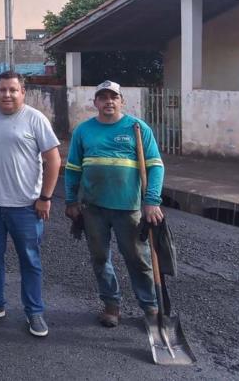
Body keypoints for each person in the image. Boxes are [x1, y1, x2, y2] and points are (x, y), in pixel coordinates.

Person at [0, 71, 61, 338]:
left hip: (26, 206)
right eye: (2, 90)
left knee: (29, 260)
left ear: (23, 92)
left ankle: (34, 311)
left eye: (13, 90)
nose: (7, 95)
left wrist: (45, 198)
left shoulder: (35, 119)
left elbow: (53, 160)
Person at [64, 80, 164, 327]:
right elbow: (72, 169)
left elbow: (156, 167)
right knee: (99, 258)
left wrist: (151, 201)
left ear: (122, 101)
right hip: (93, 208)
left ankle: (150, 307)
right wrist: (70, 200)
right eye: (103, 97)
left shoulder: (138, 128)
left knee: (137, 259)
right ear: (95, 102)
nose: (109, 101)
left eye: (114, 97)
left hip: (128, 208)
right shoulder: (83, 130)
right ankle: (111, 305)